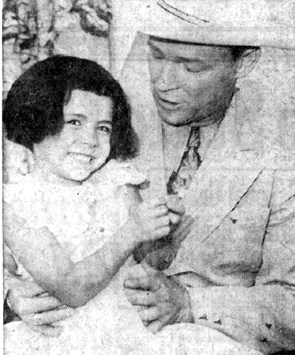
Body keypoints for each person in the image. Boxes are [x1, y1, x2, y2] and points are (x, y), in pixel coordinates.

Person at [6, 0, 295, 355]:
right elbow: (39, 217)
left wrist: (192, 304)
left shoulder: (284, 151)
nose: (162, 81)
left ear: (243, 64)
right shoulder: (108, 116)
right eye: (156, 56)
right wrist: (12, 293)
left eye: (191, 66)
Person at [2, 55, 196, 355]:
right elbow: (71, 288)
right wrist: (131, 232)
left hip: (132, 330)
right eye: (75, 122)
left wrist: (165, 233)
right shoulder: (19, 205)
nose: (90, 140)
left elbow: (149, 263)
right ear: (36, 120)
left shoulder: (117, 182)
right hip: (64, 338)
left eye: (103, 127)